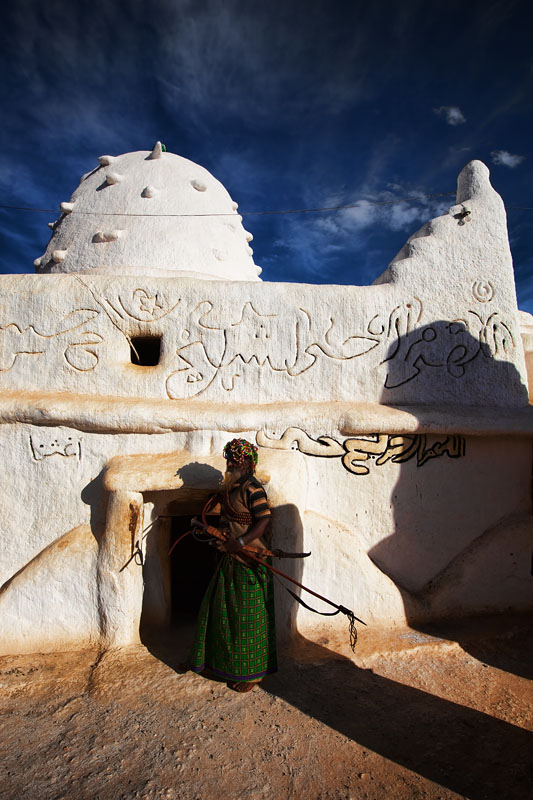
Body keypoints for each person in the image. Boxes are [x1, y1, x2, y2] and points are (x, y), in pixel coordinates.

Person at [188, 438, 277, 692]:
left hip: (251, 562)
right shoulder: (230, 488)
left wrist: (241, 541)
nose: (229, 464)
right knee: (222, 615)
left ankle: (251, 675)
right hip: (229, 561)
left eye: (235, 460)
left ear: (248, 463)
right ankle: (219, 663)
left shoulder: (253, 488)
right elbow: (227, 519)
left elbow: (263, 520)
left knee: (248, 621)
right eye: (229, 459)